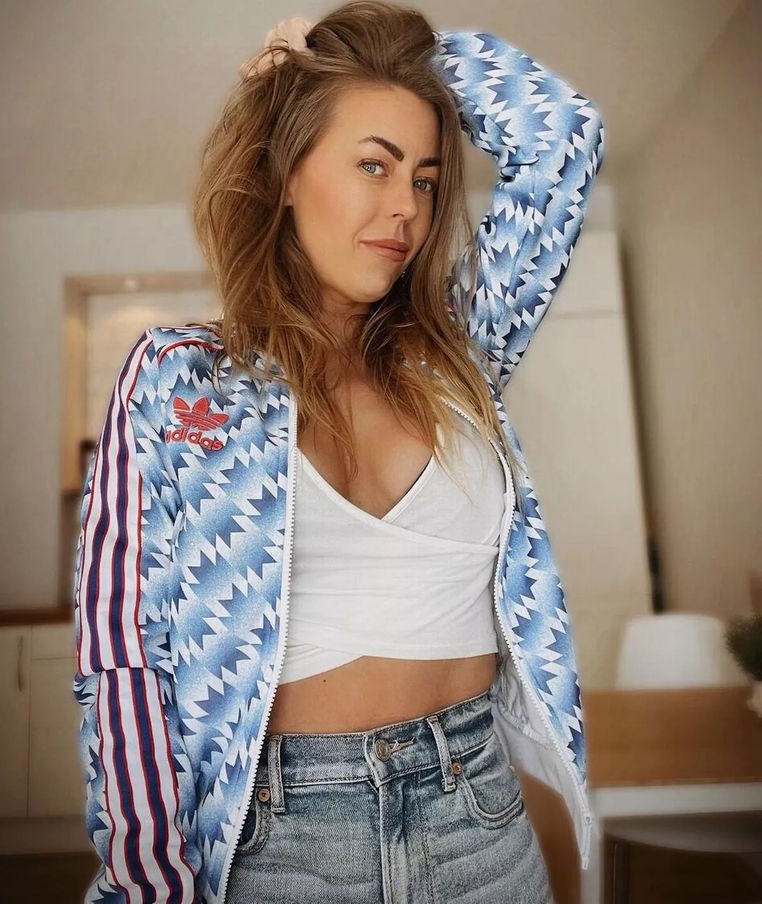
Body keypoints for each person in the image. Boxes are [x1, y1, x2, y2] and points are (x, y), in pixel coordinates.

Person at [72, 2, 605, 902]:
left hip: (478, 819)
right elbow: (121, 652)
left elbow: (564, 135)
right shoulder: (179, 378)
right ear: (286, 171)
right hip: (274, 844)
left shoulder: (461, 349)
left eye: (426, 180)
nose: (405, 208)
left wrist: (405, 59)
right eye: (373, 165)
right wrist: (152, 878)